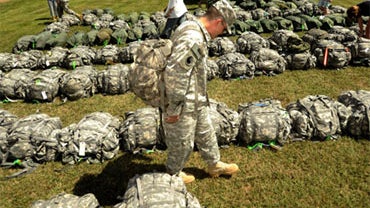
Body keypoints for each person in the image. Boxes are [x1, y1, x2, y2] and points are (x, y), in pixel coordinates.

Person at [162, 0, 239, 184]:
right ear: (219, 22)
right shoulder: (194, 39)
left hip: (197, 97)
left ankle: (214, 164)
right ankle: (173, 174)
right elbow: (176, 72)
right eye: (223, 29)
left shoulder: (192, 26)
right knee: (182, 142)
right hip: (184, 101)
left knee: (206, 132)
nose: (221, 34)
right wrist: (175, 106)